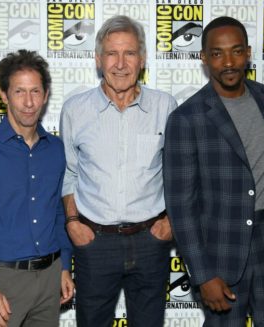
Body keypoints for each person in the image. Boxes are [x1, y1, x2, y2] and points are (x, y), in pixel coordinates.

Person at [163, 16, 264, 326]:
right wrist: (202, 273)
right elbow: (181, 205)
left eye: (236, 51)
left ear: (248, 53)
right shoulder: (187, 118)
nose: (228, 62)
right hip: (221, 250)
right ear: (204, 57)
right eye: (218, 53)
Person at [60, 15, 177, 327]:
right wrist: (72, 222)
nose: (121, 64)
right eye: (112, 53)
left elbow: (178, 174)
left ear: (142, 59)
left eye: (130, 53)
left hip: (151, 241)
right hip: (94, 241)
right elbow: (69, 172)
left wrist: (171, 223)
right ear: (99, 60)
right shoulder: (75, 110)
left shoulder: (165, 106)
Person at [0, 50, 74, 327]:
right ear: (4, 95)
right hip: (1, 280)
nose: (29, 102)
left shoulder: (56, 149)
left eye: (35, 91)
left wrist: (64, 266)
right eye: (19, 91)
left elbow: (58, 213)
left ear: (46, 95)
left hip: (50, 278)